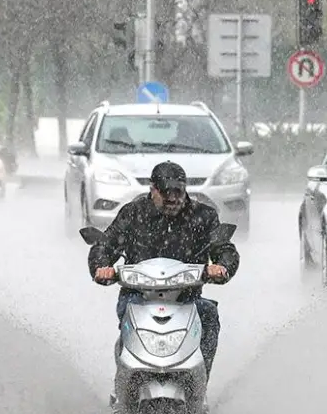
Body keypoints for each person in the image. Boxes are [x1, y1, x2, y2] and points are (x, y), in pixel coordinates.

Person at [88, 161, 240, 397]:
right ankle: (123, 388)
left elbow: (224, 249)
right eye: (166, 192)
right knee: (128, 310)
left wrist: (221, 266)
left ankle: (200, 388)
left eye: (178, 192)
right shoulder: (133, 214)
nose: (173, 199)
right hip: (137, 296)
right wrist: (101, 267)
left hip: (187, 300)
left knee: (209, 314)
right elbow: (105, 245)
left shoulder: (203, 216)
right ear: (153, 189)